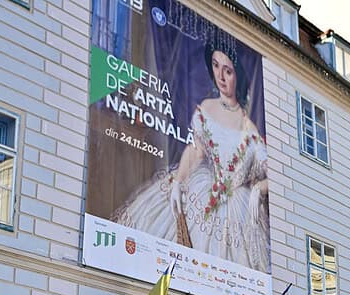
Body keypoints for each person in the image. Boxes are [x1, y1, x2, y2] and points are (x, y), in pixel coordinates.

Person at [114, 30, 270, 273]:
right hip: (203, 186)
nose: (220, 76)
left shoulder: (249, 130)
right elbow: (196, 150)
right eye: (216, 66)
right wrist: (178, 181)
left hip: (236, 209)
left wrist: (257, 189)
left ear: (237, 75)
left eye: (227, 70)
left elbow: (270, 175)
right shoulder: (206, 108)